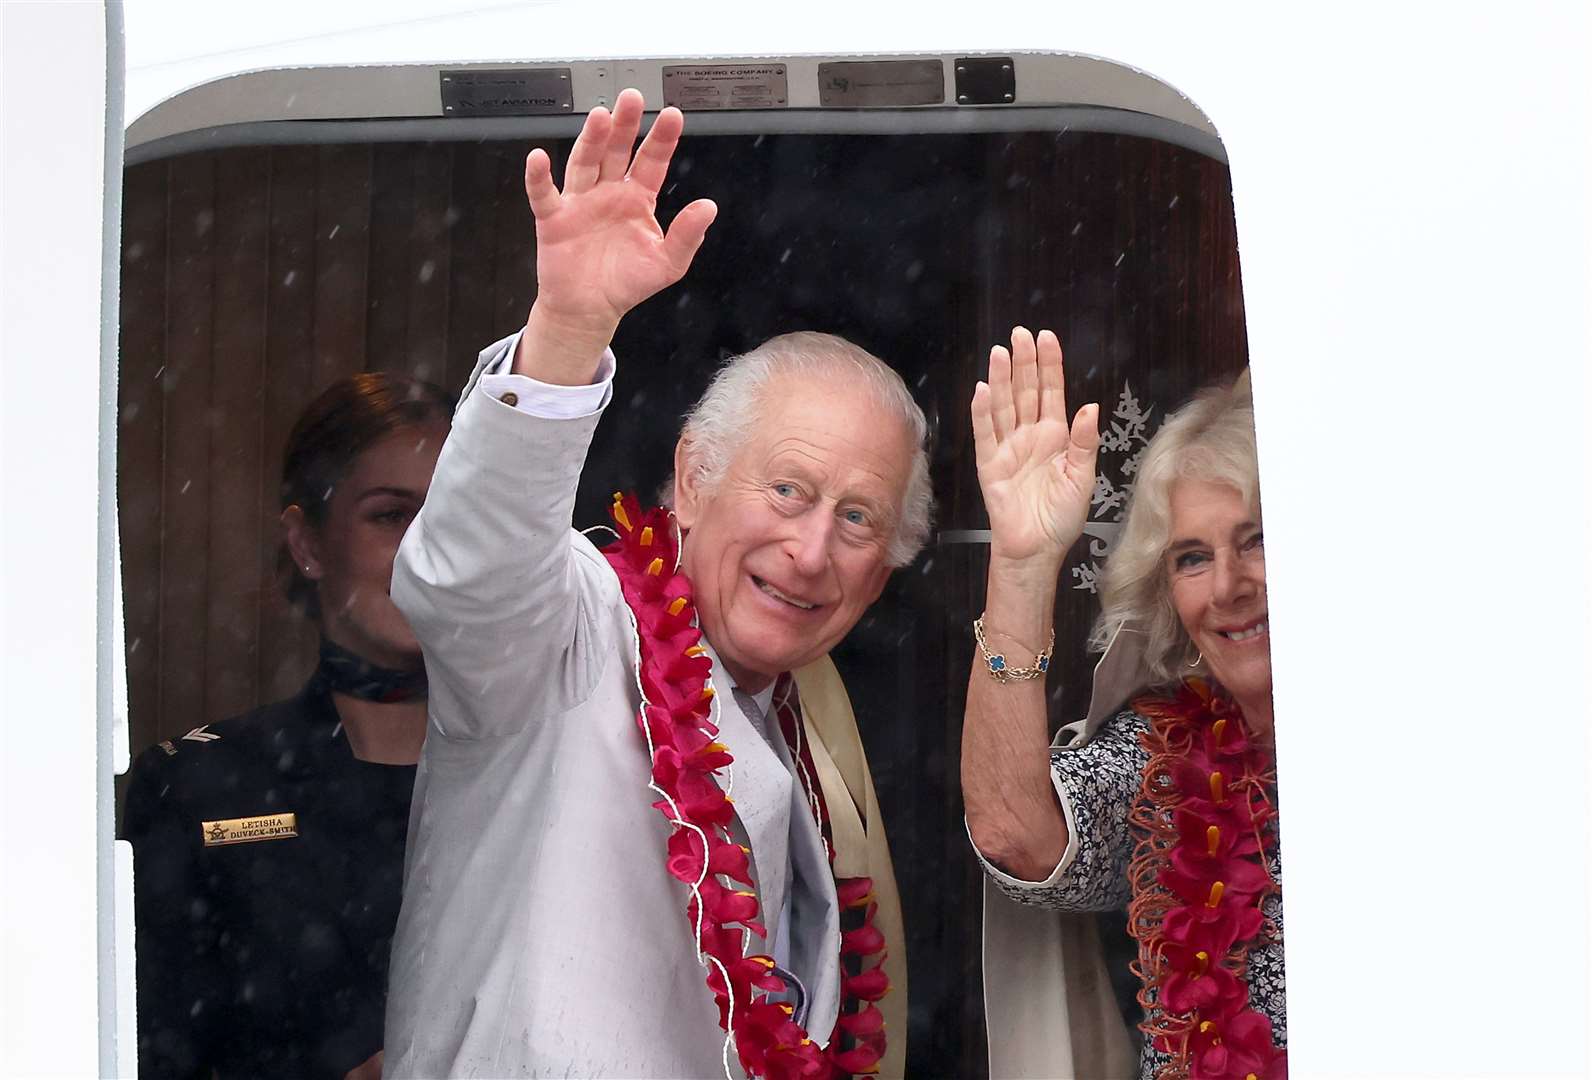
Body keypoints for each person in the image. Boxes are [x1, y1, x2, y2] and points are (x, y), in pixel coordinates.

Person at [381, 88, 924, 1080]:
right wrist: (565, 333)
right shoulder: (577, 630)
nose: (811, 551)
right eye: (787, 489)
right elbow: (466, 575)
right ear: (692, 478)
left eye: (856, 518)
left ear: (885, 567)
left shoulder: (804, 728)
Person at [960, 328, 1285, 1079]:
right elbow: (1016, 837)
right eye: (1193, 558)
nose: (1229, 586)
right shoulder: (1166, 762)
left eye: (1258, 539)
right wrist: (1023, 562)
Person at [122, 372, 453, 1080]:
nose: (425, 550)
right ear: (308, 543)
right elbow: (143, 1050)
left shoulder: (539, 778)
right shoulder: (199, 786)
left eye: (450, 517)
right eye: (391, 515)